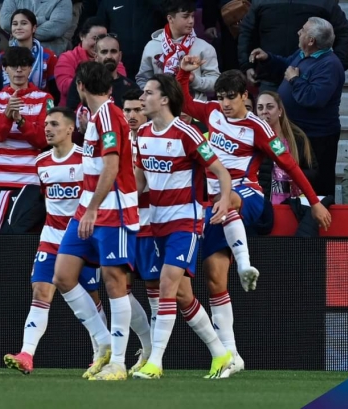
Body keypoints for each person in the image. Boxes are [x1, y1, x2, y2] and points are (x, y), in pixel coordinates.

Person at [178, 58, 331, 377]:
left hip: (246, 195)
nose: (225, 103)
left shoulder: (258, 129)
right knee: (214, 275)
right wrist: (184, 73)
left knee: (230, 196)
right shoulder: (212, 114)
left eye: (231, 97)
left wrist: (314, 202)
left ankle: (246, 262)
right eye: (221, 97)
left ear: (244, 96)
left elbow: (290, 165)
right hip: (211, 204)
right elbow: (185, 102)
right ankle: (231, 355)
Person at [132, 74, 233, 380]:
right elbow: (138, 184)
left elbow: (221, 172)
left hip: (185, 222)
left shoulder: (187, 133)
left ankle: (156, 363)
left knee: (166, 285)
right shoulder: (142, 134)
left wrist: (224, 199)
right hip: (156, 224)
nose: (142, 98)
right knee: (183, 297)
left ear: (164, 99)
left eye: (148, 93)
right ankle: (221, 354)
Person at [3, 107, 107, 375]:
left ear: (71, 128)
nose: (48, 129)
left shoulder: (86, 160)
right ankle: (27, 353)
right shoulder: (42, 162)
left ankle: (101, 351)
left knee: (93, 295)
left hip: (82, 238)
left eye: (54, 124)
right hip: (51, 237)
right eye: (46, 124)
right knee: (40, 290)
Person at [52, 61, 138, 381]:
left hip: (111, 212)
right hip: (87, 209)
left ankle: (118, 362)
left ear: (80, 86)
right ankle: (103, 342)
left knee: (114, 282)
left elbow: (112, 168)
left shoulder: (110, 118)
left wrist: (92, 209)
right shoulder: (93, 118)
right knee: (63, 275)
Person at [249, 17, 344, 197]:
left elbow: (314, 99)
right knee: (293, 181)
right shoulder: (303, 54)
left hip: (317, 138)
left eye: (303, 30)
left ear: (311, 41)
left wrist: (294, 79)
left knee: (316, 183)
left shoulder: (329, 65)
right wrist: (268, 58)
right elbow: (286, 65)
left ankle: (320, 218)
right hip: (296, 132)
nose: (298, 32)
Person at [238, 0, 348, 91]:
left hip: (309, 80)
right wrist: (247, 65)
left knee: (308, 120)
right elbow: (247, 32)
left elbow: (343, 33)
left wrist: (335, 66)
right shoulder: (261, 2)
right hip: (270, 78)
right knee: (269, 119)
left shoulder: (324, 2)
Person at [0, 46, 52, 193]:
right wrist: (8, 115)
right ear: (5, 69)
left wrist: (20, 121)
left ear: (30, 68)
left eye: (23, 65)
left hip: (30, 180)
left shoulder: (45, 99)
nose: (19, 70)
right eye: (14, 66)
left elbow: (43, 140)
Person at [122, 88, 156, 376]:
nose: (132, 115)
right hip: (123, 225)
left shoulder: (152, 139)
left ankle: (155, 358)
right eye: (128, 110)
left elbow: (141, 185)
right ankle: (146, 347)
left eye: (137, 110)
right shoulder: (116, 141)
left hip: (152, 224)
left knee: (157, 293)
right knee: (119, 289)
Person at [136, 0, 219, 102]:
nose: (191, 21)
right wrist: (155, 93)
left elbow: (216, 83)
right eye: (186, 16)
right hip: (161, 111)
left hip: (195, 111)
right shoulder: (152, 46)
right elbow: (142, 79)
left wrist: (194, 80)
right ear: (170, 18)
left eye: (192, 16)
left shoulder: (204, 47)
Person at [256, 91, 317, 204]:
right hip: (265, 205)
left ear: (280, 111)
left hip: (295, 203)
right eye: (260, 108)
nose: (264, 111)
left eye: (270, 107)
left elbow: (313, 171)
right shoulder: (252, 141)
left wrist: (296, 177)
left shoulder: (298, 138)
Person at [54, 17, 126, 107]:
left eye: (103, 37)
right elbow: (64, 87)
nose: (98, 43)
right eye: (95, 38)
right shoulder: (68, 58)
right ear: (82, 36)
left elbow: (120, 83)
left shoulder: (112, 60)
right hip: (72, 112)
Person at [66, 34, 139, 111]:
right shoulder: (83, 81)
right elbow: (70, 111)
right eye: (104, 52)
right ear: (96, 56)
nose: (109, 56)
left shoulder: (131, 88)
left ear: (120, 56)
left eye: (113, 51)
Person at [2, 9, 59, 100]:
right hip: (7, 103)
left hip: (39, 105)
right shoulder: (3, 56)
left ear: (34, 28)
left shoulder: (48, 56)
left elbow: (55, 90)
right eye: (15, 24)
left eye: (24, 23)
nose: (18, 27)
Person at [0, 0, 73, 56]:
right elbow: (5, 22)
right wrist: (41, 20)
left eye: (24, 23)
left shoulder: (63, 1)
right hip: (16, 53)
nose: (20, 26)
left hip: (48, 55)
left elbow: (55, 29)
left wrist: (24, 30)